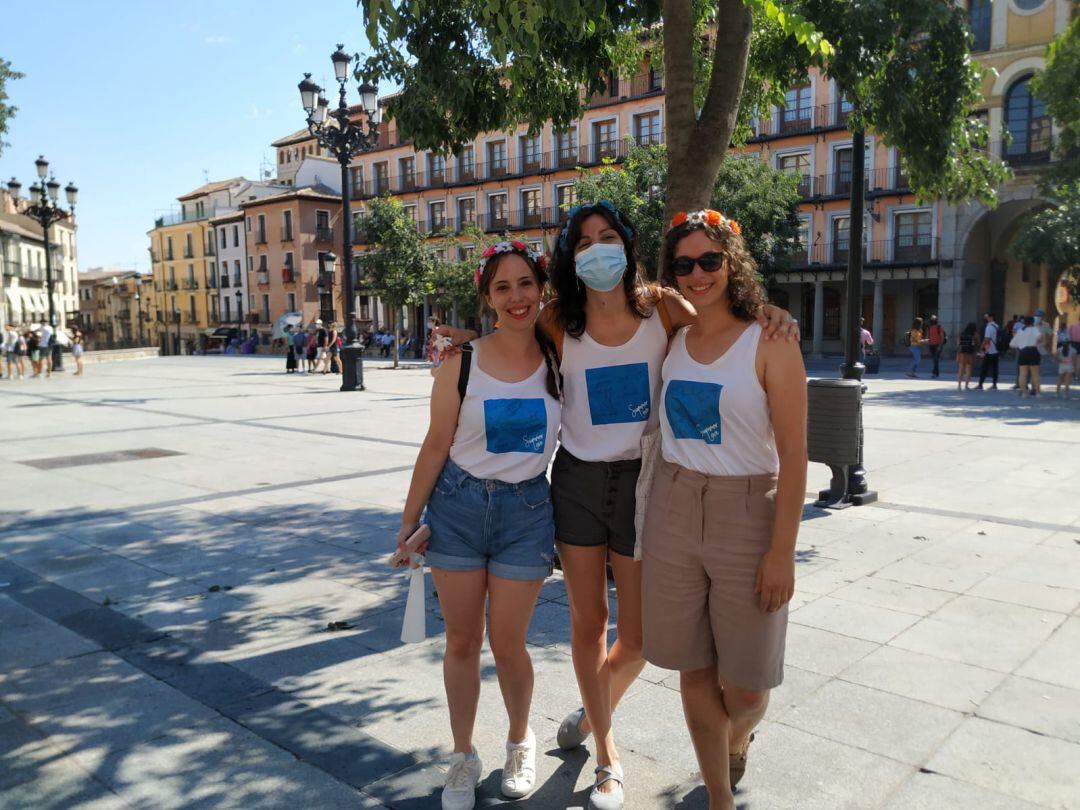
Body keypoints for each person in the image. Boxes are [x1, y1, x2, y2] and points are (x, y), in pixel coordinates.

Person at [435, 204, 797, 809]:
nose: (597, 249)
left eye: (608, 238)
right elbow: (511, 335)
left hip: (646, 481)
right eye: (583, 242)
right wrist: (464, 340)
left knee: (636, 636)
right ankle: (607, 752)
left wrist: (769, 312)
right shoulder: (558, 318)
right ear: (570, 256)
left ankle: (588, 714)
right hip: (576, 480)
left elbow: (719, 319)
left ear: (627, 245)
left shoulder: (664, 307)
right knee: (587, 625)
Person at [643, 209, 807, 810]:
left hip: (748, 509)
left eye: (709, 260)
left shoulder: (771, 340)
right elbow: (571, 317)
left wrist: (781, 552)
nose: (697, 274)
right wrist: (469, 341)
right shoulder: (671, 335)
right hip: (675, 504)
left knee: (747, 686)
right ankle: (719, 798)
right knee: (692, 666)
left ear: (731, 262)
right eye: (683, 264)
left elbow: (794, 456)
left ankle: (737, 738)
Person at [397, 242, 561, 810]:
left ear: (541, 288)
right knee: (462, 641)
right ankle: (463, 755)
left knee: (510, 642)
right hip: (458, 509)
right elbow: (437, 442)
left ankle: (520, 740)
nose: (516, 296)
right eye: (502, 287)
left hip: (528, 513)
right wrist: (409, 518)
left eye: (525, 283)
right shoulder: (460, 362)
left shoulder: (563, 356)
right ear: (487, 298)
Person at [1011, 316, 1042, 397]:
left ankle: (1024, 392)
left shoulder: (1020, 331)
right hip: (1033, 350)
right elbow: (1039, 337)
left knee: (1022, 374)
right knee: (1035, 374)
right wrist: (1037, 342)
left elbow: (1012, 344)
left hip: (1023, 352)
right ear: (1033, 322)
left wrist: (1020, 345)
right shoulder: (1035, 329)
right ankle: (1038, 393)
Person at [975, 313, 1000, 390]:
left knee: (984, 368)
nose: (985, 319)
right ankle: (994, 384)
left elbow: (986, 339)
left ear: (991, 317)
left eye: (987, 317)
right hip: (996, 350)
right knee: (995, 368)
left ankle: (980, 384)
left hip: (989, 350)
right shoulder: (996, 326)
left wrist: (981, 348)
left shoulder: (989, 327)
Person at [956, 322, 978, 390]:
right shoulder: (975, 335)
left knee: (960, 370)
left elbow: (958, 344)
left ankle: (959, 385)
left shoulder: (961, 334)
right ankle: (966, 385)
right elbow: (977, 344)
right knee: (968, 370)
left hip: (962, 353)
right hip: (970, 354)